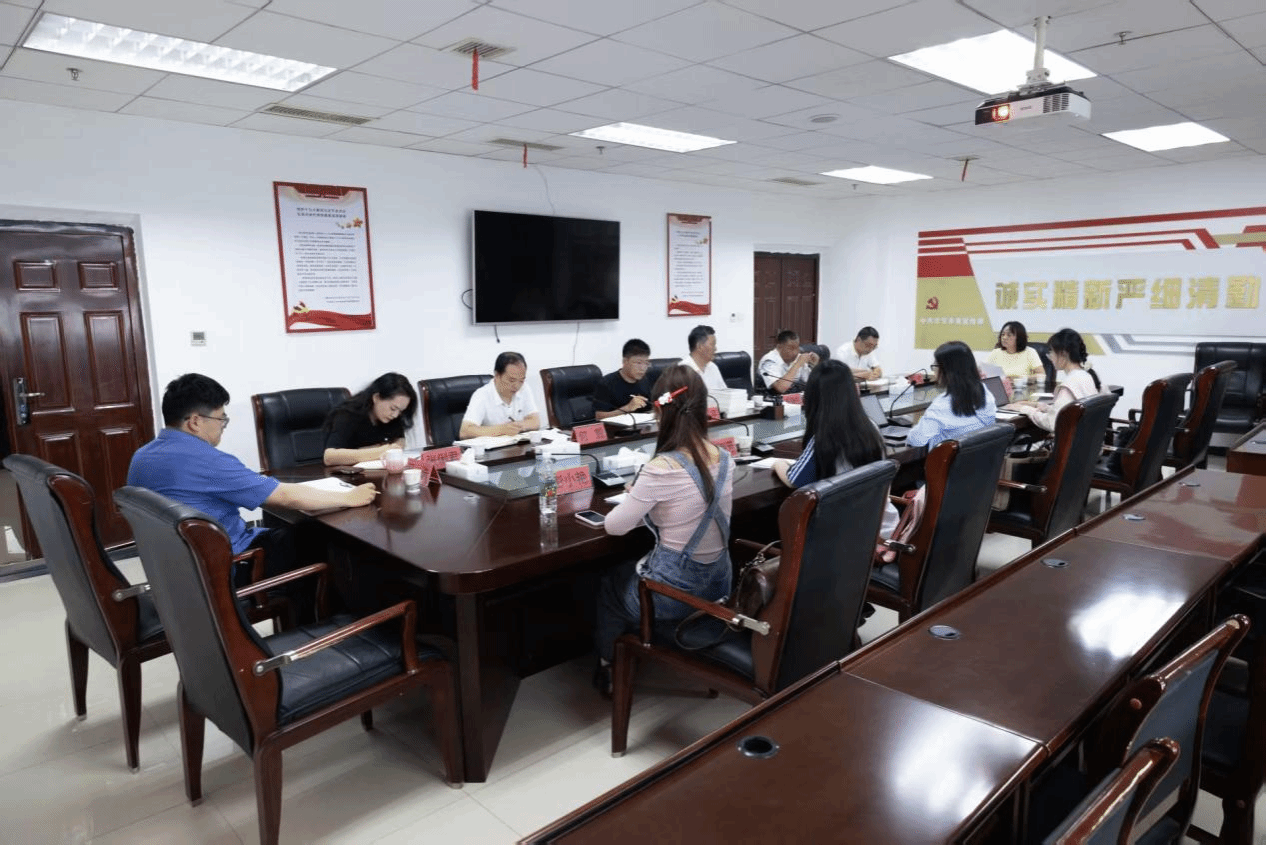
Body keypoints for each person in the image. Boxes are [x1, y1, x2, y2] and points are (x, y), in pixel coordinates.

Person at [127, 374, 377, 610]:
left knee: (301, 534)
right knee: (324, 538)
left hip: (177, 569)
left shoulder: (141, 457)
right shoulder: (208, 460)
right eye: (221, 419)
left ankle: (305, 617)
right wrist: (349, 497)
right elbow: (284, 497)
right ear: (195, 421)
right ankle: (337, 620)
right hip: (229, 567)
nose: (223, 426)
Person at [593, 366, 735, 693]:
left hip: (673, 597)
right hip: (719, 587)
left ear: (660, 413)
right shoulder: (725, 458)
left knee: (610, 584)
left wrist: (641, 495)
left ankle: (609, 667)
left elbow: (614, 527)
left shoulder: (661, 469)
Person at [771, 360, 898, 538]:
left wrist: (778, 464)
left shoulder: (825, 437)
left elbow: (795, 480)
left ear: (813, 397)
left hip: (844, 539)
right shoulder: (870, 427)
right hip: (882, 529)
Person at [1005, 327, 1103, 431]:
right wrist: (1037, 405)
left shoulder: (1069, 385)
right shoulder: (1086, 376)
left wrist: (1024, 409)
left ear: (1063, 354)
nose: (1050, 357)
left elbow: (1051, 423)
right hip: (1085, 437)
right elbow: (1064, 411)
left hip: (1069, 440)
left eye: (1051, 352)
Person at [906, 341, 997, 450]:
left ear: (947, 371)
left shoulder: (942, 405)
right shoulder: (985, 392)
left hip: (946, 459)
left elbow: (916, 440)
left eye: (935, 366)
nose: (934, 371)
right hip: (980, 457)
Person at [322, 372, 417, 466]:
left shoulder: (393, 417)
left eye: (400, 411)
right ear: (376, 397)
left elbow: (399, 441)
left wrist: (394, 447)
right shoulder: (347, 415)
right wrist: (381, 451)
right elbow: (329, 457)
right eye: (393, 408)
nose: (395, 415)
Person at [459, 351, 541, 438]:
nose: (517, 386)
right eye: (511, 380)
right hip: (492, 445)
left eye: (521, 380)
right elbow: (465, 432)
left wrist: (517, 426)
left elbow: (535, 421)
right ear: (497, 375)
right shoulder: (482, 395)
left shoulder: (524, 388)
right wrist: (502, 430)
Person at [593, 338, 654, 420]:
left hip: (643, 425)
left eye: (646, 363)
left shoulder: (645, 380)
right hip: (616, 427)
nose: (643, 368)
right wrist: (627, 408)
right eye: (638, 363)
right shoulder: (606, 383)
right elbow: (599, 416)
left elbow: (650, 408)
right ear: (625, 361)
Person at [759, 329, 818, 394]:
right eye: (791, 348)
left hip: (796, 396)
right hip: (772, 397)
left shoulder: (798, 357)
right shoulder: (769, 361)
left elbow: (811, 383)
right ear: (779, 347)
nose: (795, 352)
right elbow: (781, 388)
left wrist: (814, 366)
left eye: (797, 348)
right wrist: (797, 364)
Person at [679, 324, 727, 390]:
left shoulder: (713, 367)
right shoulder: (682, 371)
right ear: (699, 346)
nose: (715, 349)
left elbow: (725, 393)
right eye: (713, 344)